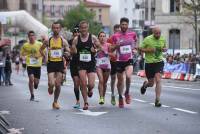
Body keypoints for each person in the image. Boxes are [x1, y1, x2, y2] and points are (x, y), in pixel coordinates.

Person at [40, 22, 70, 109]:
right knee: (52, 83)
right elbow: (41, 50)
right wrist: (45, 57)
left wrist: (67, 53)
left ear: (60, 29)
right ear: (52, 29)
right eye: (54, 28)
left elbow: (68, 50)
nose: (56, 29)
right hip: (51, 63)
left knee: (58, 84)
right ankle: (50, 87)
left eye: (57, 28)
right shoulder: (48, 40)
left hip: (60, 63)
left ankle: (55, 102)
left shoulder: (63, 41)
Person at [71, 20, 100, 110]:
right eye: (82, 28)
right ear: (79, 29)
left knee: (91, 84)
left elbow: (99, 47)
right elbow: (73, 50)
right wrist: (74, 50)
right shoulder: (76, 39)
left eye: (85, 27)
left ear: (88, 28)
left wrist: (95, 50)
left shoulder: (93, 38)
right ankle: (86, 102)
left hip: (91, 63)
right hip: (81, 64)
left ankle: (90, 90)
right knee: (83, 83)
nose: (83, 29)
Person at [111, 17, 137, 108]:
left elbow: (134, 43)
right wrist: (115, 46)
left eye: (126, 24)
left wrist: (134, 49)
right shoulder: (115, 36)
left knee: (129, 76)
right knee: (120, 81)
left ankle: (127, 92)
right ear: (120, 25)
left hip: (129, 59)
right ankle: (120, 97)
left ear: (128, 25)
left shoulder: (132, 34)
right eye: (122, 24)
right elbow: (111, 48)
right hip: (119, 61)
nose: (124, 26)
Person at [139, 27, 167, 107]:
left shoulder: (162, 39)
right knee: (151, 83)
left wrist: (164, 49)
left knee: (158, 79)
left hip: (159, 62)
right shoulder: (147, 39)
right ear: (153, 32)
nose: (158, 35)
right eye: (156, 33)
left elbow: (164, 47)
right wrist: (149, 50)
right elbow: (140, 48)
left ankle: (157, 100)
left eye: (159, 33)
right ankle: (145, 85)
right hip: (149, 63)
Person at [20, 31, 43, 101]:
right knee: (31, 79)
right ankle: (32, 95)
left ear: (35, 36)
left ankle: (36, 85)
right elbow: (21, 54)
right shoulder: (25, 45)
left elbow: (44, 53)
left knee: (36, 82)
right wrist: (22, 57)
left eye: (33, 35)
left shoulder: (39, 44)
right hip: (29, 65)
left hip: (38, 65)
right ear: (28, 37)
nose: (31, 37)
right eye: (30, 35)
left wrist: (39, 56)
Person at [96, 31, 111, 105]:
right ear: (98, 38)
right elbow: (92, 52)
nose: (102, 37)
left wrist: (107, 52)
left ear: (106, 38)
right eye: (100, 36)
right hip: (99, 65)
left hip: (107, 65)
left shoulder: (108, 45)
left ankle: (103, 96)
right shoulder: (96, 45)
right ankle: (101, 97)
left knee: (104, 83)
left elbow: (113, 54)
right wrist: (97, 50)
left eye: (103, 36)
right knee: (101, 80)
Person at [107, 24, 120, 105]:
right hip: (113, 61)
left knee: (121, 78)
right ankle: (112, 94)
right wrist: (111, 53)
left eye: (119, 30)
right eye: (116, 30)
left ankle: (120, 95)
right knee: (113, 78)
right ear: (114, 30)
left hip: (121, 61)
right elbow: (107, 50)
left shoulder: (123, 38)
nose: (118, 32)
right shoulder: (110, 39)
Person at [68, 27, 81, 108]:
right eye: (75, 33)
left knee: (84, 83)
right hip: (74, 64)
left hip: (84, 64)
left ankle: (89, 90)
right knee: (76, 84)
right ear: (73, 35)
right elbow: (67, 52)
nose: (76, 34)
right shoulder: (69, 42)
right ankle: (78, 101)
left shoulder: (84, 41)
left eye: (78, 33)